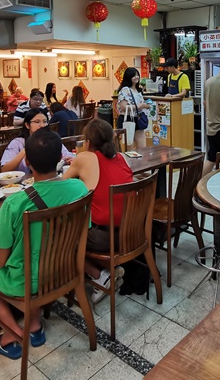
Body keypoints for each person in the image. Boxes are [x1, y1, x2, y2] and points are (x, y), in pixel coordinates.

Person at [0, 129, 89, 359]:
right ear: (60, 158)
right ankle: (33, 324)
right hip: (63, 272)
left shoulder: (15, 203)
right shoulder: (79, 189)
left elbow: (0, 261)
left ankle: (13, 332)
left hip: (25, 282)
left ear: (27, 162)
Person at [63, 119, 132, 302]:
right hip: (130, 231)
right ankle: (110, 267)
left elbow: (62, 182)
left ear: (87, 142)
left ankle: (99, 275)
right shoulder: (122, 158)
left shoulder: (85, 157)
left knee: (61, 234)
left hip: (104, 238)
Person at [0, 108, 74, 175]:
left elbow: (67, 156)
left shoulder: (51, 139)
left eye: (45, 121)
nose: (42, 125)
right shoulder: (17, 143)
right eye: (37, 122)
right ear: (27, 125)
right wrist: (24, 151)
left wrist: (68, 159)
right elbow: (5, 169)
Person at [116, 67, 151, 150]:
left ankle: (139, 162)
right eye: (133, 76)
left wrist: (146, 105)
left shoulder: (138, 90)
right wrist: (139, 106)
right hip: (127, 119)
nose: (136, 77)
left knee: (142, 148)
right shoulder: (125, 90)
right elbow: (123, 107)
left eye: (137, 75)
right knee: (129, 148)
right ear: (128, 78)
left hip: (138, 119)